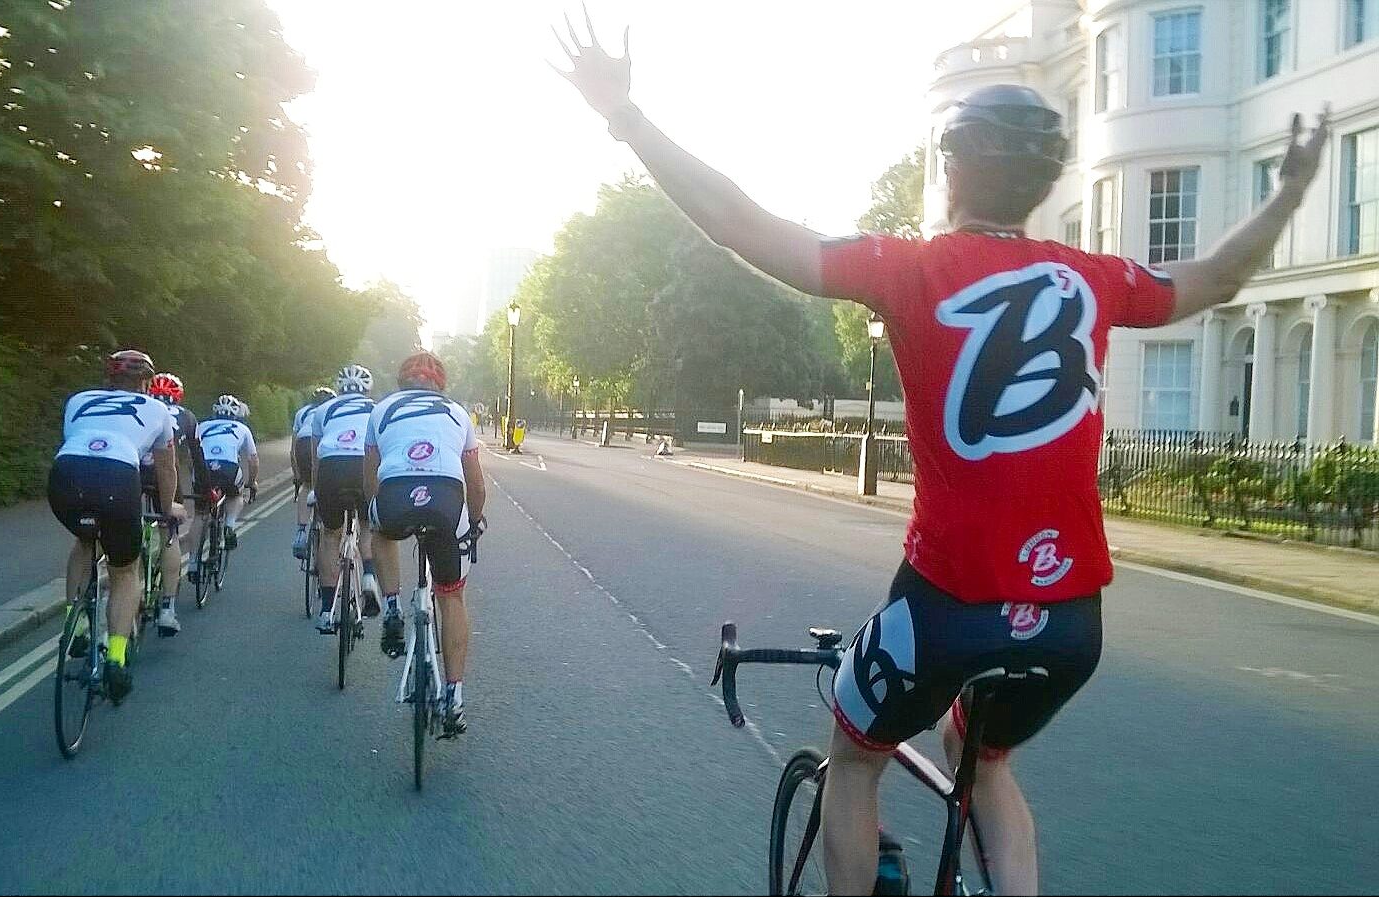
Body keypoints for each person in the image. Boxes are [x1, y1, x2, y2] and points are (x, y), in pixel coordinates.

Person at [555, 17, 1328, 895]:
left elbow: (741, 223)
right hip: (1074, 618)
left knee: (856, 757)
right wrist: (1290, 189)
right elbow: (1218, 279)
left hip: (949, 601)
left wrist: (627, 118)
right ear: (1044, 181)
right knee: (982, 758)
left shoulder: (911, 267)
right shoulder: (1096, 277)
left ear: (951, 165)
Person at [47, 350, 184, 702]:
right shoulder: (157, 410)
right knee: (125, 572)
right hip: (118, 479)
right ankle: (117, 657)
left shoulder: (78, 399)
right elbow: (166, 469)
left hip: (66, 476)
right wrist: (168, 508)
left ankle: (74, 624)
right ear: (147, 382)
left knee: (84, 542)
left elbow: (75, 440)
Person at [365, 350, 486, 735]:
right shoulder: (458, 412)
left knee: (380, 531)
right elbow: (476, 484)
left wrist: (376, 509)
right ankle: (454, 697)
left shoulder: (380, 410)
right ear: (440, 384)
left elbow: (371, 475)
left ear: (402, 382)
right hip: (447, 499)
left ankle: (392, 609)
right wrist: (476, 518)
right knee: (451, 595)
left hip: (395, 494)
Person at [305, 365, 382, 631]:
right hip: (362, 466)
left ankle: (326, 611)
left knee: (330, 535)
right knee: (368, 525)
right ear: (367, 389)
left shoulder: (323, 410)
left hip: (332, 468)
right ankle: (370, 575)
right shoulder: (377, 409)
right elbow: (378, 454)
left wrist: (317, 490)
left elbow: (316, 460)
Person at [147, 372, 202, 636]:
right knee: (170, 537)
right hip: (166, 478)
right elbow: (196, 457)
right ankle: (167, 608)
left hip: (131, 477)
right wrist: (206, 491)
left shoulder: (140, 406)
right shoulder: (187, 417)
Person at [195, 394, 259, 552]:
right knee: (236, 496)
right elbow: (253, 459)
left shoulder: (201, 425)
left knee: (199, 514)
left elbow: (192, 453)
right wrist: (252, 482)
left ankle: (193, 563)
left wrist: (194, 474)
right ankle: (229, 525)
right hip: (229, 468)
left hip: (204, 467)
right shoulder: (243, 429)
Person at [291, 386, 337, 560]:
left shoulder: (302, 412)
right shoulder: (335, 409)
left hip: (303, 444)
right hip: (324, 443)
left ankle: (301, 532)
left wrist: (297, 476)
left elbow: (293, 450)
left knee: (306, 485)